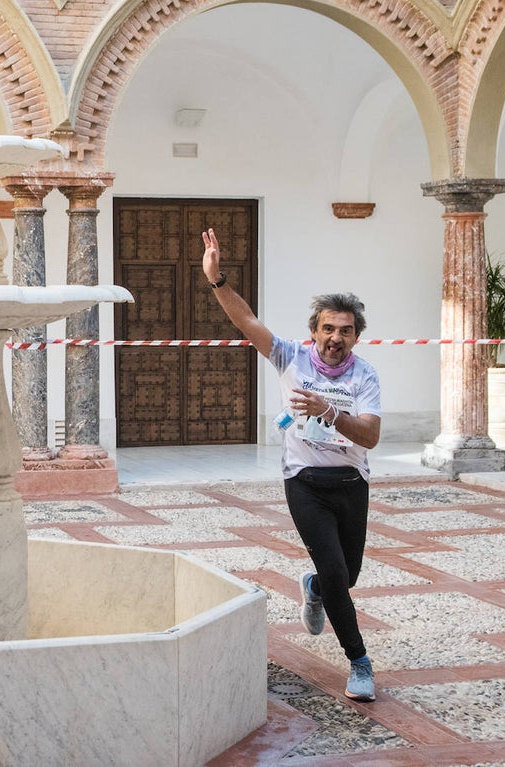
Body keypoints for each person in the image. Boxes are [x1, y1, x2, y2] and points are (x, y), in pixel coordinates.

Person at [202, 227, 381, 702]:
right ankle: (359, 662)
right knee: (340, 574)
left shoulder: (366, 376)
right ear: (314, 333)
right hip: (304, 481)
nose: (335, 338)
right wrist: (218, 280)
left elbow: (371, 435)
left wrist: (327, 410)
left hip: (351, 481)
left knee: (347, 574)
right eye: (328, 329)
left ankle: (315, 587)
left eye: (345, 331)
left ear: (356, 337)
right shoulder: (290, 357)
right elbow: (247, 322)